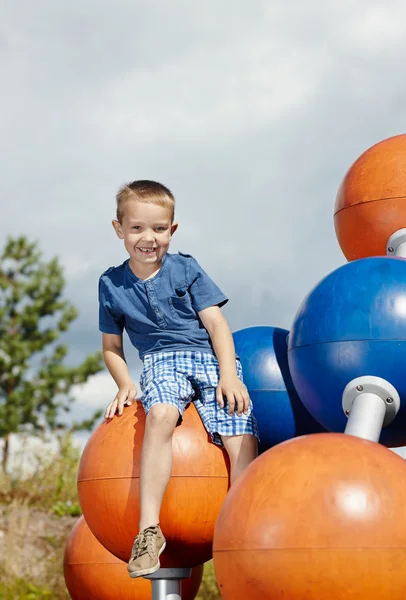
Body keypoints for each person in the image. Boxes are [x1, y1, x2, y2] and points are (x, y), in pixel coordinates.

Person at [98, 180, 259, 579]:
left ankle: (238, 530)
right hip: (160, 360)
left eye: (158, 229)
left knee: (240, 431)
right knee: (162, 415)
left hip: (207, 356)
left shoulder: (186, 267)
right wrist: (123, 384)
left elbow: (217, 324)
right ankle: (148, 530)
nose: (147, 238)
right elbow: (111, 347)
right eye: (136, 228)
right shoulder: (111, 284)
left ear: (172, 229)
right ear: (119, 229)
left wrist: (228, 375)